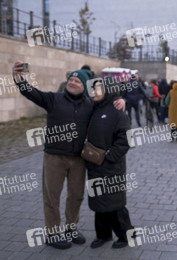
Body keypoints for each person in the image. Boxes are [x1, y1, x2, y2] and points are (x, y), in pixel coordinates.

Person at [12, 62, 125, 249]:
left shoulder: (91, 104)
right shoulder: (52, 99)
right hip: (54, 157)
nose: (73, 82)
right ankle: (52, 233)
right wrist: (18, 78)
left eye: (77, 80)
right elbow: (29, 91)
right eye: (71, 79)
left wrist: (121, 100)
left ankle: (71, 228)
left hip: (79, 159)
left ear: (84, 85)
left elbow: (107, 100)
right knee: (52, 197)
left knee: (76, 196)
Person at [86, 77, 134, 249]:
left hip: (111, 166)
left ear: (108, 90)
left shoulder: (117, 110)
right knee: (99, 202)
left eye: (98, 89)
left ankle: (126, 235)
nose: (94, 92)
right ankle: (103, 235)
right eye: (94, 89)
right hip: (94, 164)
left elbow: (125, 138)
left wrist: (110, 156)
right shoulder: (94, 107)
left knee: (115, 204)